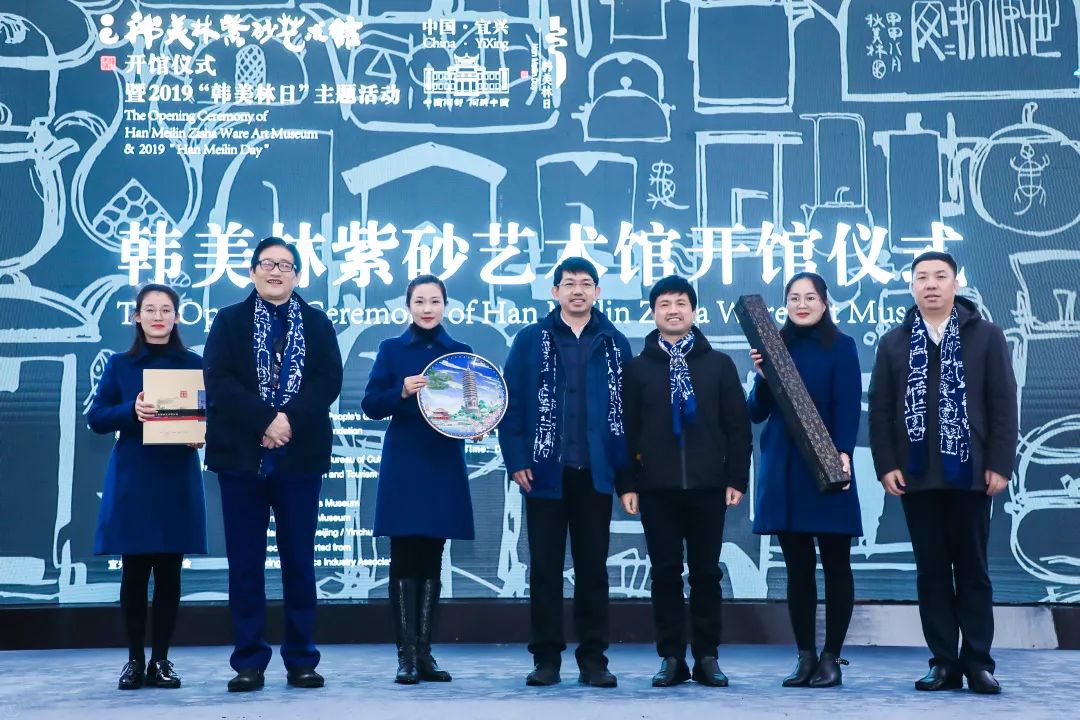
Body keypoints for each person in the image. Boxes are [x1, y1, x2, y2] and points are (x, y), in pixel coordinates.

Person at [868, 251, 1017, 694]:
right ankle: (944, 663)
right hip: (917, 476)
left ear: (955, 283)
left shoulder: (986, 336)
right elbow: (880, 410)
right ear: (912, 287)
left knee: (973, 571)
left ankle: (978, 662)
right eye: (922, 277)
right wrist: (886, 464)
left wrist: (1000, 463)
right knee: (931, 573)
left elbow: (1003, 403)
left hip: (971, 474)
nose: (930, 284)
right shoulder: (894, 343)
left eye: (939, 276)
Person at [203, 237, 343, 692]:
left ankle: (301, 659)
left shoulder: (317, 323)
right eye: (267, 264)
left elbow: (328, 381)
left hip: (300, 459)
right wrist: (265, 419)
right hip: (241, 459)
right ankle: (249, 661)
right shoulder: (229, 320)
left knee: (299, 562)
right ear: (252, 272)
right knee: (245, 564)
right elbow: (218, 380)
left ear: (297, 275)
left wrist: (287, 420)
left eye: (285, 265)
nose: (276, 271)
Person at [498, 257, 631, 688]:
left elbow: (626, 413)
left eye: (586, 283)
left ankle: (594, 660)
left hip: (594, 473)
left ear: (597, 292)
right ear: (554, 292)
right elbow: (510, 403)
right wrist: (516, 458)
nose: (578, 290)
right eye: (569, 283)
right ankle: (546, 659)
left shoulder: (614, 342)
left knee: (593, 570)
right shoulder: (530, 339)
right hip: (544, 472)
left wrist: (624, 474)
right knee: (545, 570)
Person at [619, 275, 752, 688]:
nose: (673, 311)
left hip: (708, 487)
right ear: (653, 313)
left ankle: (707, 656)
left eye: (680, 303)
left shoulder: (719, 365)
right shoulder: (637, 369)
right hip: (655, 490)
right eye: (664, 304)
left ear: (694, 311)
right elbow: (624, 431)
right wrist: (627, 484)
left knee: (706, 574)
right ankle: (671, 658)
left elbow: (738, 427)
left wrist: (736, 478)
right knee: (664, 573)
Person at [87, 283, 207, 690]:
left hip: (176, 475)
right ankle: (134, 661)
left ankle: (162, 660)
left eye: (166, 309)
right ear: (136, 316)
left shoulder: (194, 364)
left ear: (177, 317)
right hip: (135, 476)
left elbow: (212, 413)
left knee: (170, 573)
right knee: (135, 573)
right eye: (150, 309)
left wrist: (201, 432)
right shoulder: (120, 364)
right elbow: (97, 417)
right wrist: (131, 409)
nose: (158, 316)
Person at [747, 272, 863, 688]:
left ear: (825, 302)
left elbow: (849, 405)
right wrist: (762, 378)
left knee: (836, 564)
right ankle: (805, 656)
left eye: (809, 297)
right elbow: (756, 412)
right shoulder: (773, 346)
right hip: (785, 469)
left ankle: (832, 658)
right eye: (794, 298)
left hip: (829, 467)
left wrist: (843, 454)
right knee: (797, 570)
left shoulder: (842, 346)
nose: (801, 304)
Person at [362, 275, 476, 684]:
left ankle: (425, 653)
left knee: (433, 556)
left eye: (435, 301)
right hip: (405, 461)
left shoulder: (460, 353)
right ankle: (406, 656)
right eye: (420, 301)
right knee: (403, 555)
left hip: (443, 460)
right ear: (408, 306)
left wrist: (476, 425)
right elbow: (370, 405)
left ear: (446, 305)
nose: (427, 309)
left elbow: (473, 407)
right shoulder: (391, 350)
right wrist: (401, 391)